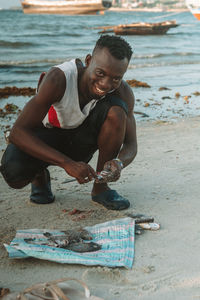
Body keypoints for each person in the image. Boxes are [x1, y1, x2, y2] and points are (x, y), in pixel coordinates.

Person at [0, 35, 137, 211]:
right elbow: (18, 132)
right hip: (45, 137)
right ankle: (39, 175)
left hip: (80, 141)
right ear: (89, 61)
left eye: (116, 78)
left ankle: (101, 188)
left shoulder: (123, 92)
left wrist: (119, 163)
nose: (106, 84)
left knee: (117, 113)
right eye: (100, 73)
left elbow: (131, 144)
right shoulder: (59, 78)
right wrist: (67, 163)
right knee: (14, 174)